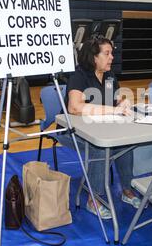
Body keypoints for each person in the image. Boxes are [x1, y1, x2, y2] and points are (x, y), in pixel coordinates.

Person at [60, 36, 141, 219]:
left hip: (102, 127)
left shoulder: (110, 75)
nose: (112, 57)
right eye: (107, 53)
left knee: (125, 143)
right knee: (100, 148)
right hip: (70, 131)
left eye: (111, 53)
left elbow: (119, 98)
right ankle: (93, 198)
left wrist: (124, 102)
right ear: (94, 57)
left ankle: (127, 190)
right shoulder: (79, 76)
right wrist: (113, 110)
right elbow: (74, 107)